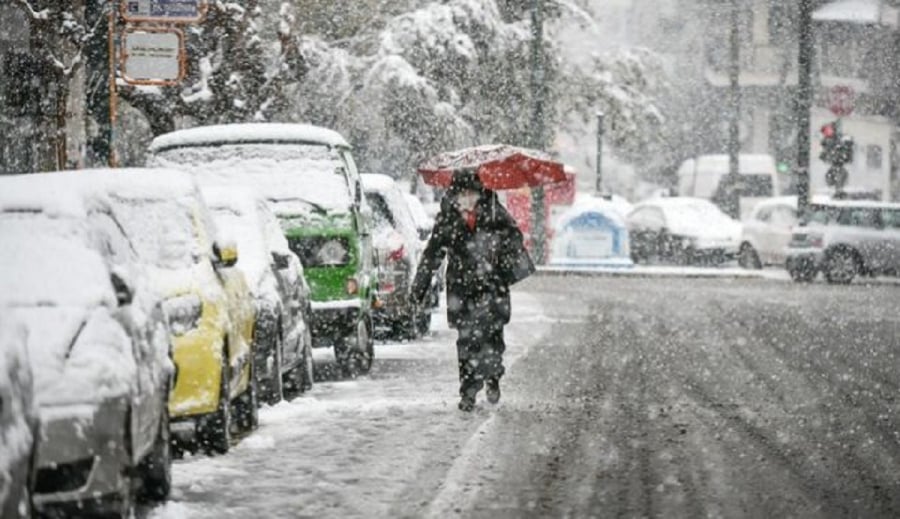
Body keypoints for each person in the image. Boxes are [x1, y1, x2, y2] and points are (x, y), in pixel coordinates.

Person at [411, 170, 535, 412]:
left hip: (492, 287)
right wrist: (419, 287)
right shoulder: (448, 219)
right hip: (462, 289)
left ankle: (492, 377)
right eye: (462, 193)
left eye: (471, 192)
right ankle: (468, 391)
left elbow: (514, 240)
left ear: (479, 192)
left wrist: (502, 261)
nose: (467, 198)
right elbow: (432, 253)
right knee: (466, 341)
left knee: (492, 337)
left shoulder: (494, 212)